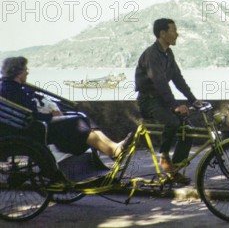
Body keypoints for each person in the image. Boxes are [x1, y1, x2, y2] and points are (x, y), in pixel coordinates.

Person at [0, 56, 132, 159]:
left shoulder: (13, 87)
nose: (27, 73)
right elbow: (28, 114)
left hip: (34, 124)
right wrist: (51, 116)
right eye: (25, 70)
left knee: (81, 117)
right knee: (78, 121)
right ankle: (112, 150)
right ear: (18, 72)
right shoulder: (12, 90)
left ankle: (113, 148)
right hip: (34, 128)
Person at [134, 18, 200, 184]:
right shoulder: (151, 54)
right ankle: (164, 158)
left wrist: (193, 100)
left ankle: (175, 169)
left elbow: (178, 79)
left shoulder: (168, 53)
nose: (177, 34)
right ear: (163, 34)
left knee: (188, 129)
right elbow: (160, 83)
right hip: (148, 101)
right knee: (173, 122)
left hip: (161, 100)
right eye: (174, 31)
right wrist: (175, 106)